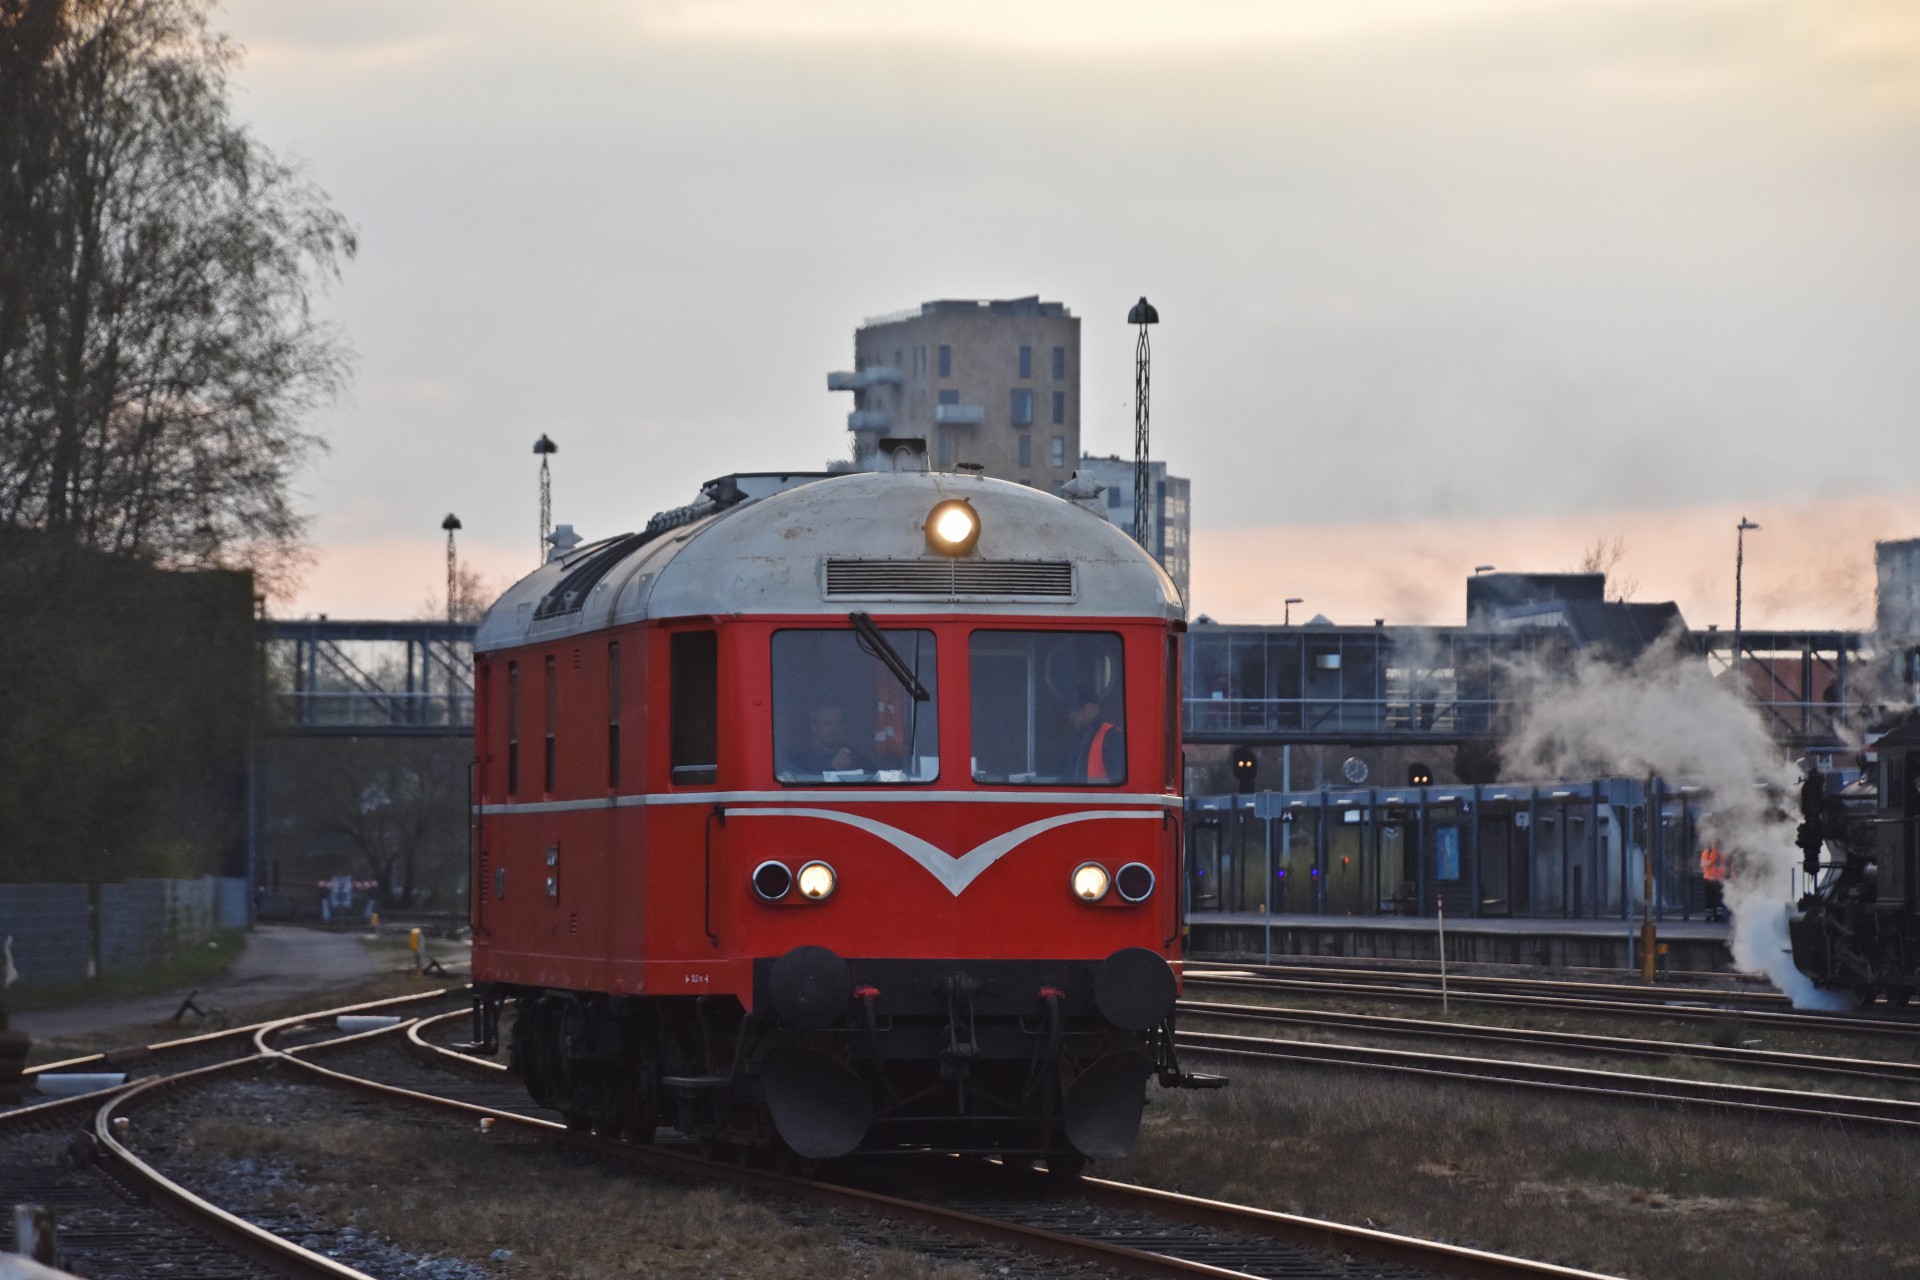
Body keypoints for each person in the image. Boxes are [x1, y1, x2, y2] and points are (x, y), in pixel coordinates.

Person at [784, 703, 873, 778]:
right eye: (826, 723)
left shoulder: (857, 759)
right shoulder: (798, 762)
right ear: (814, 727)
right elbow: (805, 790)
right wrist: (833, 770)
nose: (833, 729)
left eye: (838, 723)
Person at [1060, 685, 1123, 784]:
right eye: (1070, 710)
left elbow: (1117, 780)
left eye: (1078, 709)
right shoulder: (1076, 740)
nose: (1072, 715)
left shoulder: (1112, 736)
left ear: (1094, 709)